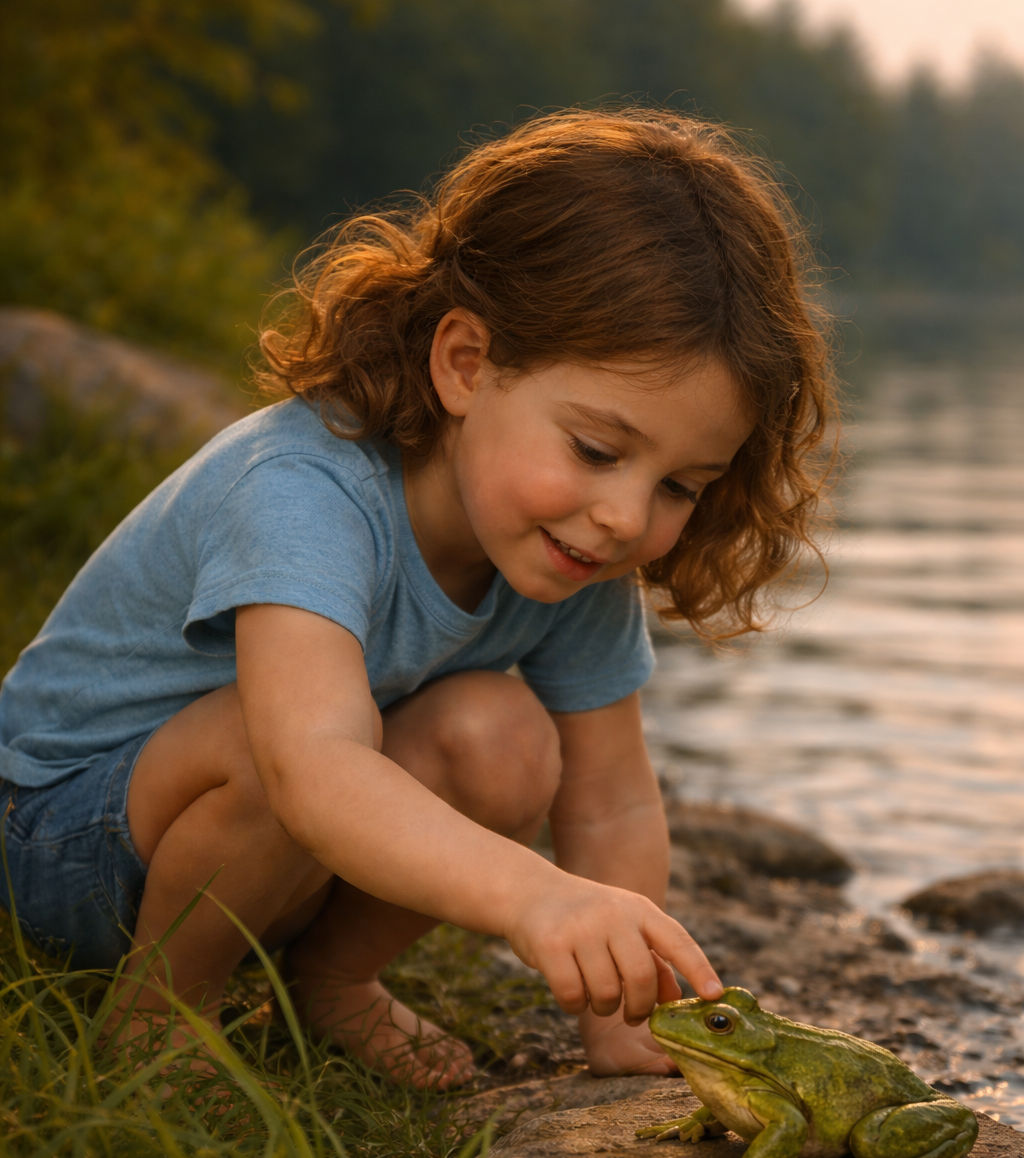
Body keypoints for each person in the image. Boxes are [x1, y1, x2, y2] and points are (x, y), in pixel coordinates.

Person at [0, 108, 833, 1089]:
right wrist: (532, 897)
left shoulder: (566, 551)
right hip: (56, 843)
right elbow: (311, 771)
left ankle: (331, 981)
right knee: (280, 747)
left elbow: (607, 799)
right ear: (465, 365)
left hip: (268, 853)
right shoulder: (301, 490)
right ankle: (157, 1021)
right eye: (598, 451)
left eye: (678, 487)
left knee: (506, 736)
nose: (621, 515)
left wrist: (631, 1017)